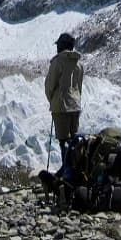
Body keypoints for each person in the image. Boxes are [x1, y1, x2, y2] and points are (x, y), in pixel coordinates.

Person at [45, 32, 84, 167]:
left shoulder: (57, 62)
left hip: (61, 106)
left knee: (64, 141)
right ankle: (76, 171)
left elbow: (50, 84)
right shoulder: (78, 64)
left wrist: (52, 100)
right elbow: (79, 87)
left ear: (61, 46)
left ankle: (67, 173)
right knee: (74, 141)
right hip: (75, 105)